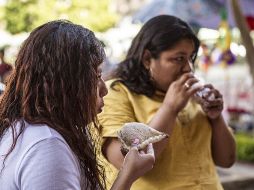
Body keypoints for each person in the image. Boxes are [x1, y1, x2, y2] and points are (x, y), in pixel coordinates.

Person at [0, 20, 155, 190]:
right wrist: (127, 175)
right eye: (96, 76)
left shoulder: (34, 132)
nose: (104, 89)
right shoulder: (47, 147)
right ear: (66, 83)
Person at [98, 15, 236, 190]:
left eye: (190, 58)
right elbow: (123, 161)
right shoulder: (116, 92)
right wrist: (170, 108)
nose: (188, 68)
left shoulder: (191, 95)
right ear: (147, 59)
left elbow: (227, 160)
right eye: (178, 59)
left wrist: (216, 119)